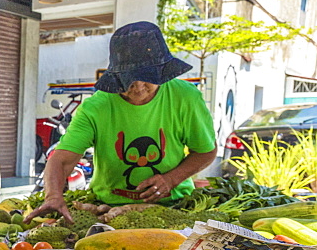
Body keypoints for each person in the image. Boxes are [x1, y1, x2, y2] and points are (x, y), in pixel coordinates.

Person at [28, 21, 216, 224]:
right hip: (106, 209)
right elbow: (61, 159)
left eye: (147, 78)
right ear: (116, 77)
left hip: (173, 206)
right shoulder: (96, 107)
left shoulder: (185, 97)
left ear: (161, 72)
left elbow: (205, 151)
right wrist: (53, 195)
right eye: (129, 81)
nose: (139, 87)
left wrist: (171, 179)